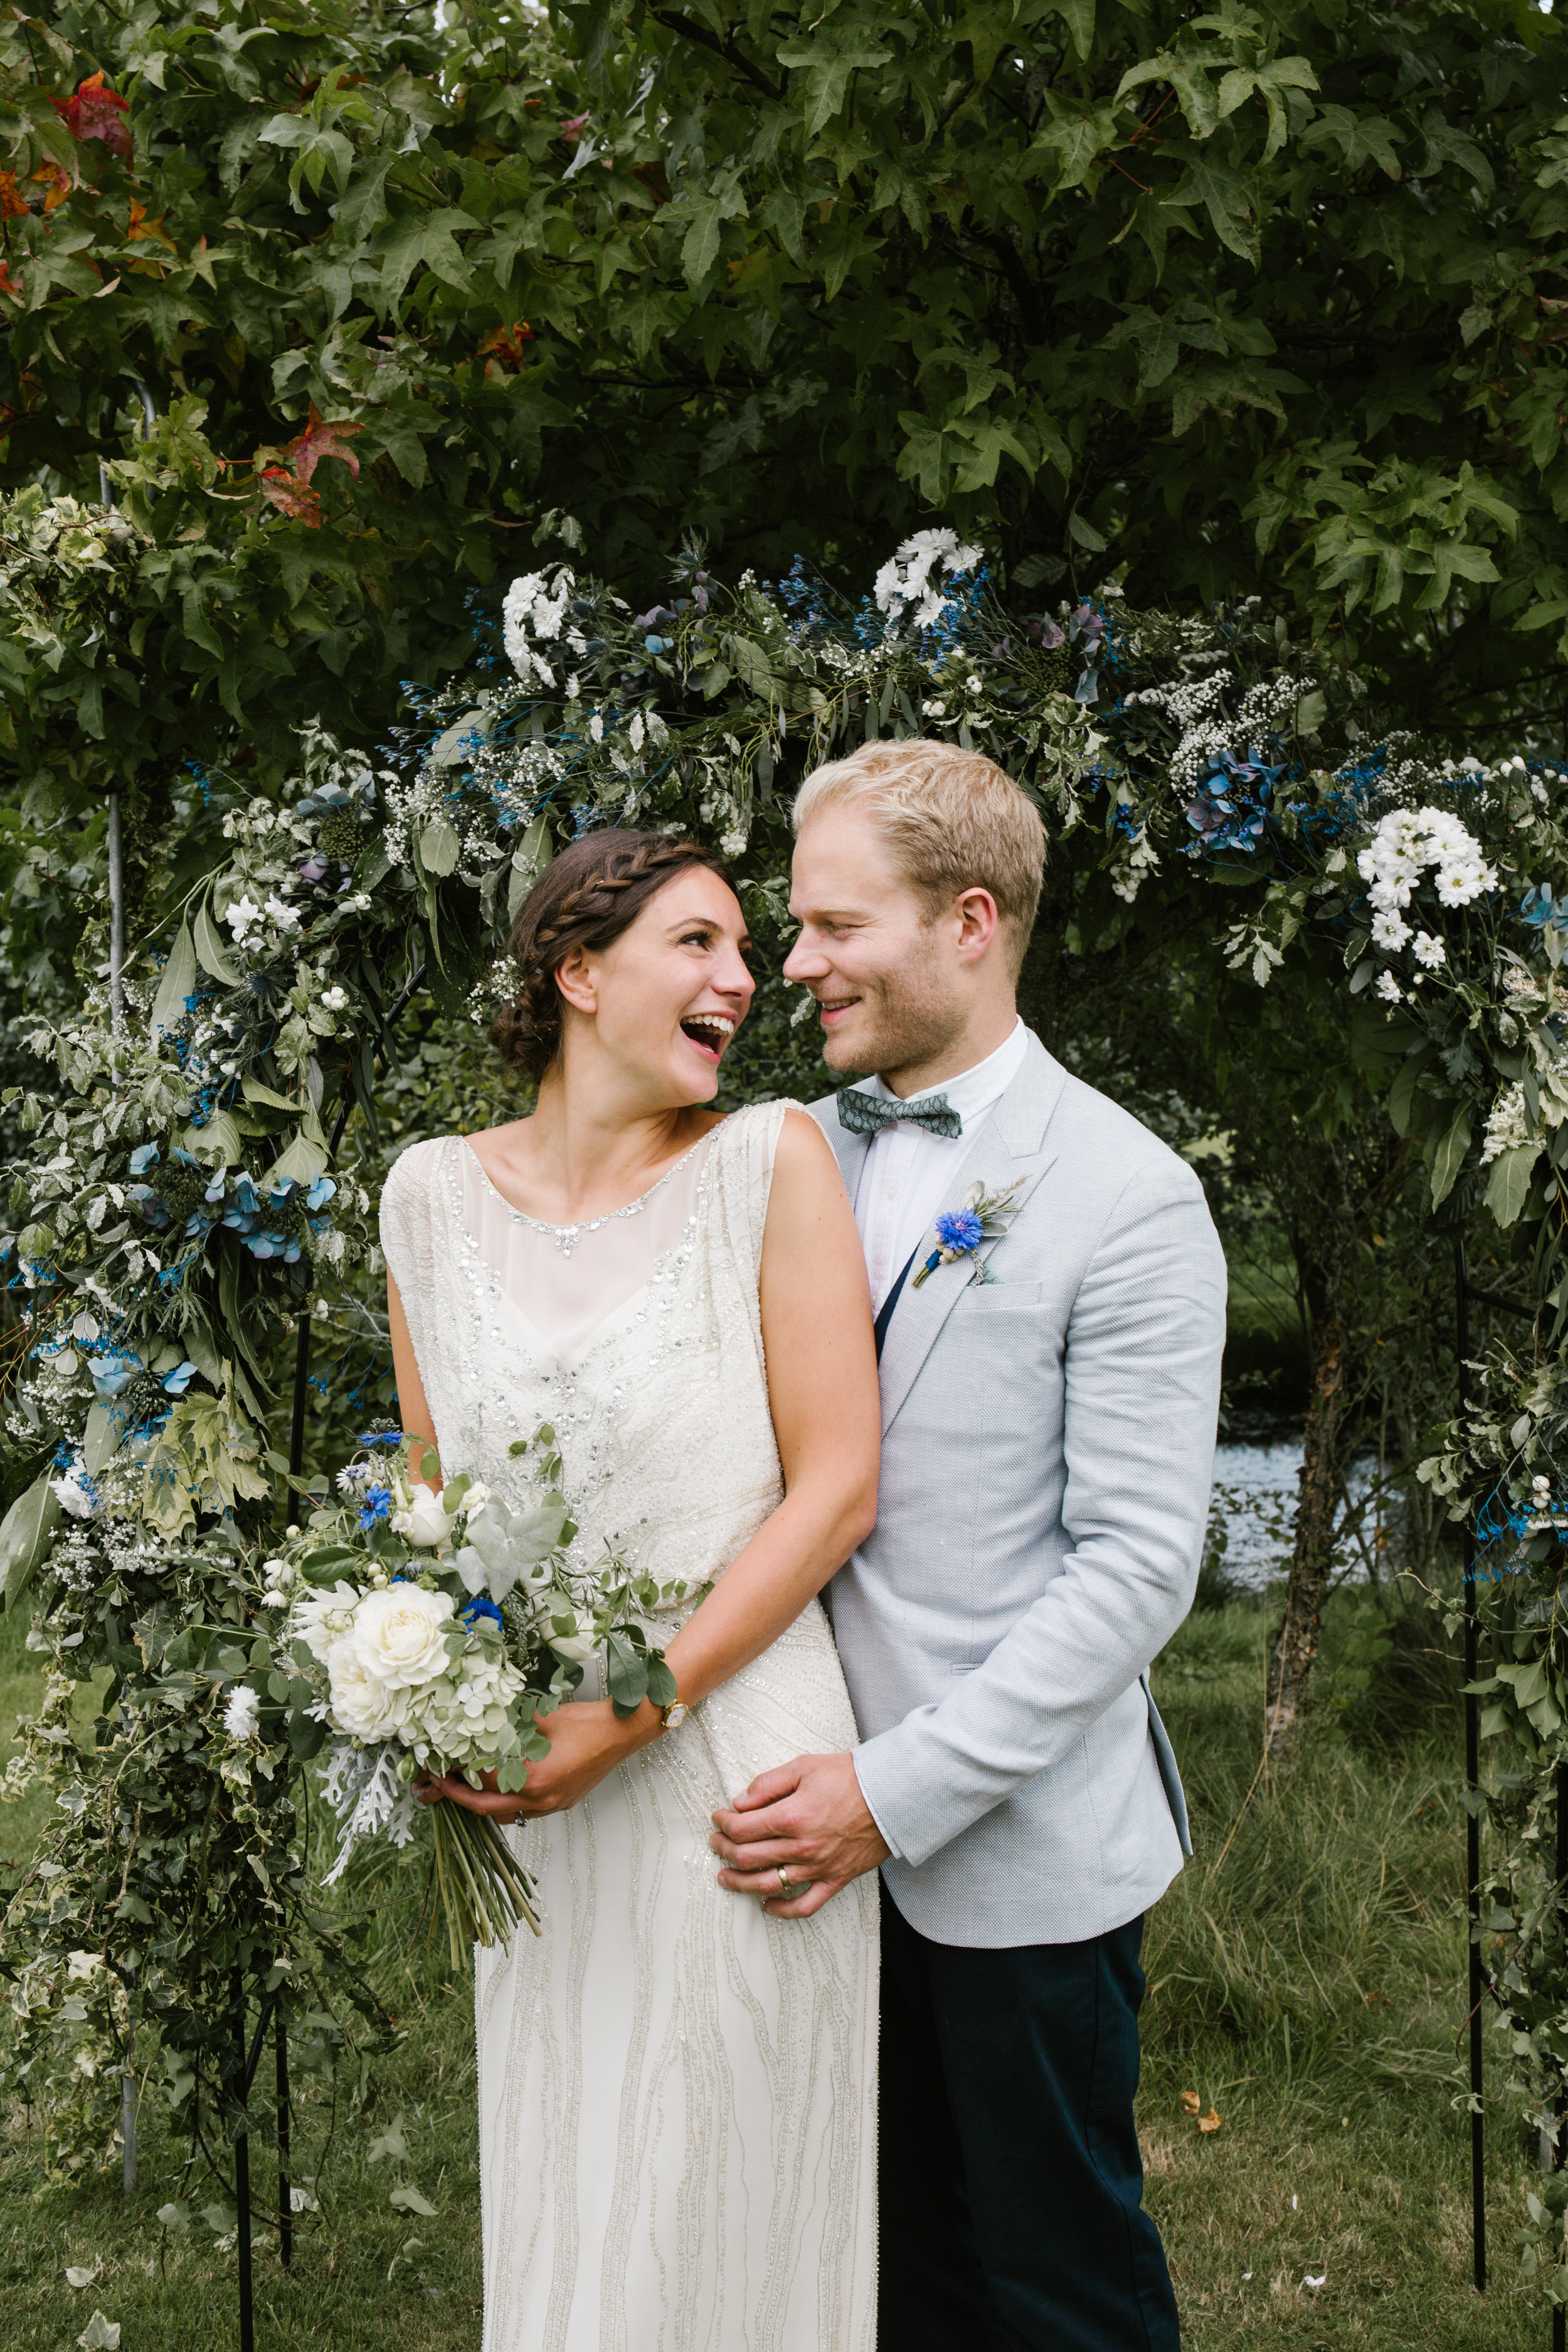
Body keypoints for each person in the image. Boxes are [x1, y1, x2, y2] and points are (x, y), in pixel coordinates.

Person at [709, 739, 1228, 2351]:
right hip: (792, 1841)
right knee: (881, 2279)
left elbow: (1135, 1567)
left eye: (832, 927)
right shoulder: (777, 1151)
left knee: (1054, 2284)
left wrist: (897, 1789)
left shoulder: (1127, 1196)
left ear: (970, 920)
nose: (792, 965)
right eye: (792, 928)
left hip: (1011, 1854)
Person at [379, 829, 882, 2352]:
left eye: (746, 952)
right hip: (541, 1800)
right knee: (572, 2199)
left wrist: (638, 1701)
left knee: (719, 2212)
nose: (744, 980)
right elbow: (426, 1505)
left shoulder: (766, 1160)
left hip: (732, 1772)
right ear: (577, 973)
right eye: (701, 944)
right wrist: (411, 1681)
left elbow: (836, 1488)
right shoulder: (423, 1200)